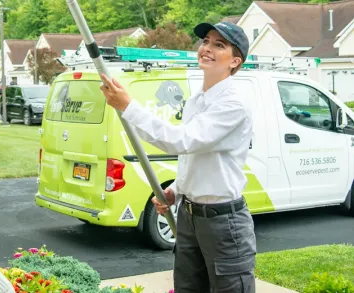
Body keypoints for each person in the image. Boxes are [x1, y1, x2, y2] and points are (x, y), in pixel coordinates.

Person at [100, 21, 256, 293]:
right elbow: (194, 156)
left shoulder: (233, 104)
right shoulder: (198, 99)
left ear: (234, 61)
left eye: (219, 45)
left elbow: (180, 141)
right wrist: (176, 190)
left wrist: (128, 106)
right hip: (188, 216)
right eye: (206, 41)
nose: (206, 48)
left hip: (223, 224)